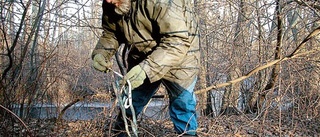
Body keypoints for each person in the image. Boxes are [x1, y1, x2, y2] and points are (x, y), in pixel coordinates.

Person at [92, 0, 200, 136]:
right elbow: (111, 33)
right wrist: (101, 53)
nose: (108, 1)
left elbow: (177, 41)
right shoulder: (111, 3)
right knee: (130, 102)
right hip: (141, 55)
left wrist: (146, 69)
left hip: (181, 56)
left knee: (182, 105)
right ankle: (121, 133)